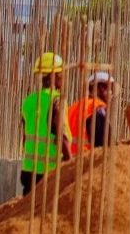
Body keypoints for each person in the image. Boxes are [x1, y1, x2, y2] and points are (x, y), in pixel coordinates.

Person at [20, 52, 66, 195]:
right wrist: (71, 166)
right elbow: (62, 138)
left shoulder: (28, 101)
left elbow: (25, 138)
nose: (62, 77)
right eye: (60, 73)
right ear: (52, 75)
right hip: (49, 173)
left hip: (28, 171)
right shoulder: (57, 101)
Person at [65, 70, 114, 157]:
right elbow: (103, 147)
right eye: (110, 89)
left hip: (68, 162)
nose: (112, 94)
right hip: (85, 163)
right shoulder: (97, 109)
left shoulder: (75, 106)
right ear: (101, 88)